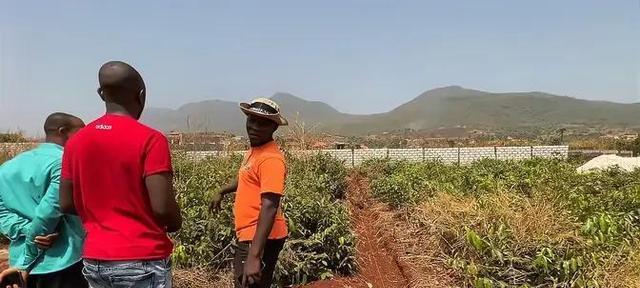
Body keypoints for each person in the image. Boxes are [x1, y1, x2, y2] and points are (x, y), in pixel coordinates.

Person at [59, 61, 182, 288]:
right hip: (141, 258)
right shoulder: (151, 139)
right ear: (141, 95)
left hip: (95, 260)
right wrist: (176, 221)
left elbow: (66, 203)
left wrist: (101, 211)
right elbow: (163, 208)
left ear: (100, 94)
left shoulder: (75, 142)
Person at [0, 112, 87, 288]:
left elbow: (2, 212)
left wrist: (25, 230)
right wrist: (28, 259)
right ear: (63, 131)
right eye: (81, 133)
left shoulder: (7, 167)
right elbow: (48, 215)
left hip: (19, 265)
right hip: (61, 262)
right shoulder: (64, 163)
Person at [210, 98, 289, 288]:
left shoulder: (270, 159)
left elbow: (270, 206)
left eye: (262, 123)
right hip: (251, 235)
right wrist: (222, 191)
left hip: (260, 237)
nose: (254, 127)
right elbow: (245, 178)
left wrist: (255, 255)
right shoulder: (256, 151)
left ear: (273, 128)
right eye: (251, 120)